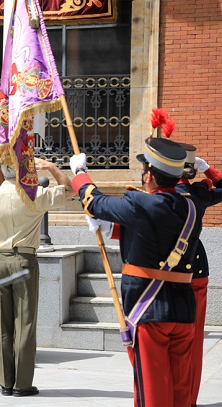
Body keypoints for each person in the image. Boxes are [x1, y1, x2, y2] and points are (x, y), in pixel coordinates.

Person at [70, 136, 214, 406]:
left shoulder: (140, 204)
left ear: (150, 176)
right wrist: (112, 229)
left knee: (153, 391)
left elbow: (95, 202)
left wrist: (80, 174)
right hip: (183, 310)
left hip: (149, 311)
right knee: (180, 392)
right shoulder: (192, 206)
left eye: (143, 170)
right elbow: (153, 237)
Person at [0, 158, 75, 397]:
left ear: (1, 170)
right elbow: (70, 190)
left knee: (0, 324)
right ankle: (22, 384)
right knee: (25, 323)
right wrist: (50, 167)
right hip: (23, 260)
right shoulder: (35, 194)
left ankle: (5, 382)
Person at [174, 144, 222, 406]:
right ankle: (189, 398)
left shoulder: (155, 196)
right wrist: (209, 170)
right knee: (192, 341)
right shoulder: (199, 195)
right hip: (196, 267)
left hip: (162, 271)